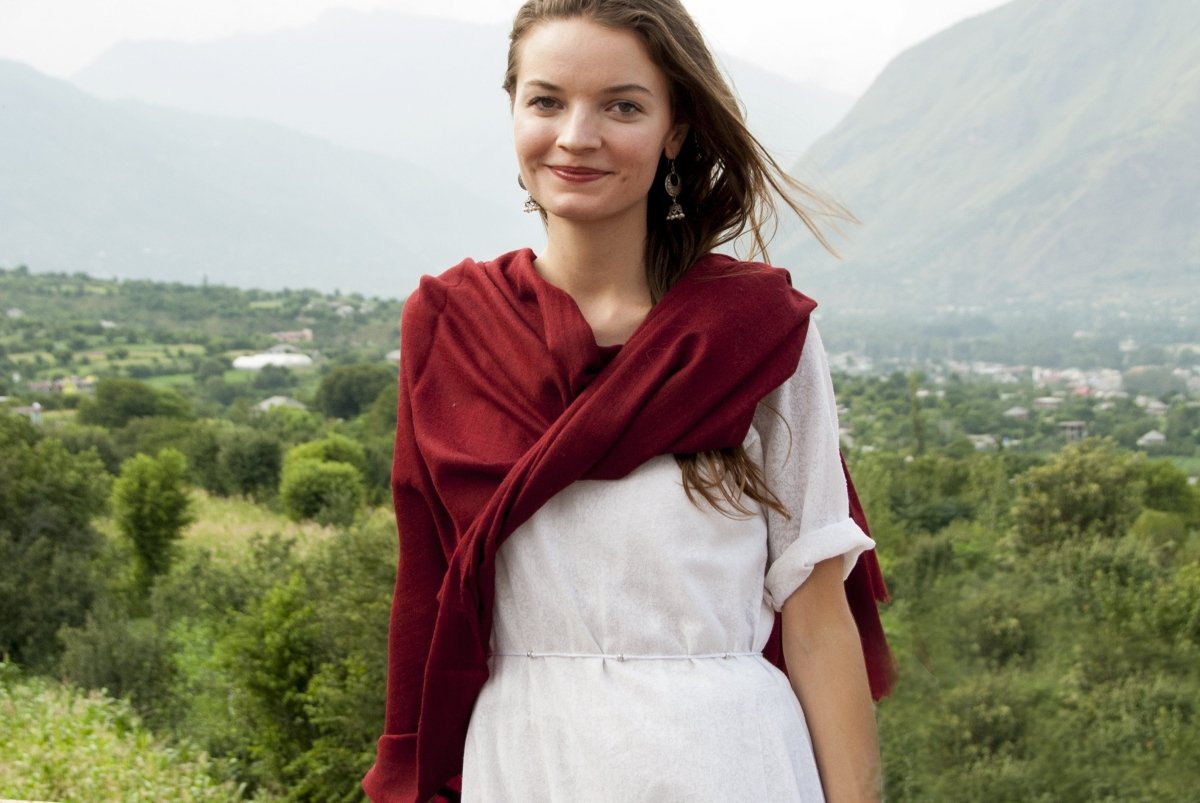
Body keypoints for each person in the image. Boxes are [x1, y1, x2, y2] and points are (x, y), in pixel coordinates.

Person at [363, 1, 895, 801]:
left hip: (728, 760)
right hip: (527, 758)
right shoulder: (449, 324)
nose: (578, 135)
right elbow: (426, 587)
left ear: (675, 129)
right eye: (547, 100)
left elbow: (819, 618)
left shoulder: (754, 332)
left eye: (622, 105)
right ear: (513, 111)